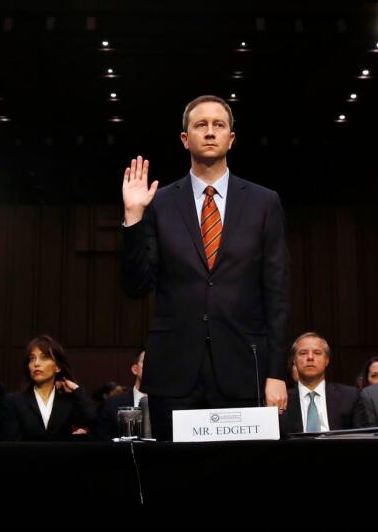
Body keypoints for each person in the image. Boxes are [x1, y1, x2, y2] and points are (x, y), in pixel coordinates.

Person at [120, 95, 290, 439]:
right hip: (175, 369)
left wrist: (276, 373)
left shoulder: (264, 202)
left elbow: (277, 293)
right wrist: (134, 217)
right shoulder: (159, 202)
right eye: (200, 125)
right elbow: (136, 285)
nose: (210, 132)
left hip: (245, 369)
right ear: (185, 139)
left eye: (219, 125)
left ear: (231, 138)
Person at [0, 336, 95, 441]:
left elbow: (91, 421)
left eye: (44, 358)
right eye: (32, 359)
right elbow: (12, 443)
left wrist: (77, 390)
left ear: (57, 367)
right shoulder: (13, 401)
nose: (36, 363)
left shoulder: (69, 401)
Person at [281, 333, 359, 435]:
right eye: (303, 353)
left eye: (317, 353)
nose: (310, 357)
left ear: (327, 360)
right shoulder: (281, 401)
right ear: (294, 361)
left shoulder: (350, 396)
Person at [97, 350, 148, 440]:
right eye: (146, 361)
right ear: (135, 369)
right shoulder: (112, 405)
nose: (151, 366)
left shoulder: (167, 405)